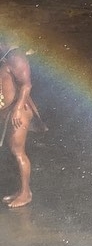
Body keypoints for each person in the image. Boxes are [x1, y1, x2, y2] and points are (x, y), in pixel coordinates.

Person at [0, 39, 45, 208]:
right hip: (9, 111)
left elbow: (26, 85)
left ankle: (26, 193)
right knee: (13, 151)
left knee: (18, 151)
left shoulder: (16, 57)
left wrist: (18, 109)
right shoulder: (4, 58)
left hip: (20, 111)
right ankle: (21, 191)